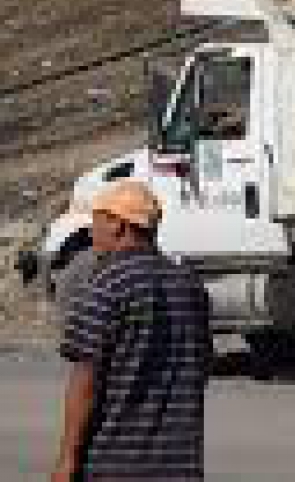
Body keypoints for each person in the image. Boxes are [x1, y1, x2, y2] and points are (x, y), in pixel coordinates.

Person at [52, 179, 212, 482]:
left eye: (96, 221)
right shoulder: (190, 285)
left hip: (115, 465)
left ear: (118, 225)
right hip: (180, 466)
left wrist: (67, 459)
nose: (90, 232)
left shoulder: (105, 285)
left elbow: (86, 381)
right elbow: (201, 368)